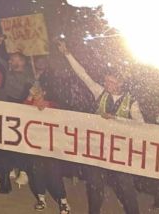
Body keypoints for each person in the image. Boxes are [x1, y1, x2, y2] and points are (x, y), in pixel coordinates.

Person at [57, 40, 140, 214]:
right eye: (106, 81)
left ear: (120, 83)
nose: (107, 84)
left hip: (120, 150)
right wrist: (67, 54)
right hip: (98, 148)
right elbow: (83, 75)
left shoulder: (132, 102)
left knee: (126, 186)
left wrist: (116, 119)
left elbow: (141, 126)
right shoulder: (99, 92)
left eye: (111, 82)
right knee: (95, 185)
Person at [24, 83, 70, 214]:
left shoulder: (52, 105)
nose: (36, 95)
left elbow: (61, 116)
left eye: (38, 92)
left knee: (54, 174)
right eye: (34, 92)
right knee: (37, 172)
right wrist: (29, 97)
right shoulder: (28, 105)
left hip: (51, 145)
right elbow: (19, 111)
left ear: (44, 92)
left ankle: (63, 201)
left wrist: (47, 107)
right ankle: (41, 198)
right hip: (34, 144)